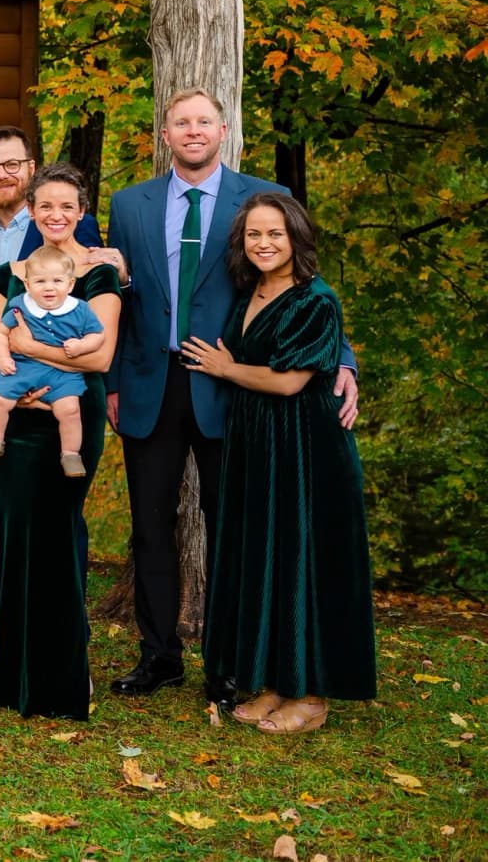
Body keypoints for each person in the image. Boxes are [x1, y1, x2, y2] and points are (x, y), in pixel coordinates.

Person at [105, 88, 358, 700]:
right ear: (165, 134)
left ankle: (231, 662)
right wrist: (112, 381)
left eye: (204, 122)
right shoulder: (129, 203)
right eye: (181, 123)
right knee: (150, 530)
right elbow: (113, 293)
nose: (193, 132)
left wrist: (341, 357)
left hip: (230, 386)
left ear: (223, 131)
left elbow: (300, 281)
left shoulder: (265, 198)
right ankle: (159, 656)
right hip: (149, 383)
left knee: (234, 528)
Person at [183, 194, 374, 733]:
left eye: (275, 234)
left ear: (296, 238)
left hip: (307, 446)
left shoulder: (315, 299)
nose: (264, 243)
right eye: (253, 235)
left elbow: (291, 381)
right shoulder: (252, 291)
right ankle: (274, 680)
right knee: (268, 555)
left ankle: (312, 695)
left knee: (305, 558)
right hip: (260, 441)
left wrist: (225, 368)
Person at [0, 163, 123, 720]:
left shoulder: (98, 275)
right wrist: (12, 390)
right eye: (46, 206)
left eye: (67, 206)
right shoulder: (7, 275)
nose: (56, 215)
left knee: (62, 536)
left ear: (81, 213)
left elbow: (102, 356)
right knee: (14, 538)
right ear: (31, 211)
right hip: (15, 416)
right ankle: (15, 675)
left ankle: (68, 674)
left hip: (71, 417)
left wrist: (28, 348)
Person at [0, 246, 106, 478]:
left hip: (62, 373)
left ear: (70, 284)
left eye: (57, 281)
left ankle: (70, 454)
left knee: (70, 409)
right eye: (40, 281)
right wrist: (4, 357)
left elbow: (98, 336)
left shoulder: (80, 309)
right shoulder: (21, 305)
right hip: (23, 367)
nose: (49, 287)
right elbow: (0, 333)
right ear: (27, 285)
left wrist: (82, 345)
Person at [0, 125, 102, 289]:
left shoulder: (73, 226)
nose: (1, 175)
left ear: (31, 168)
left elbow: (96, 291)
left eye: (12, 165)